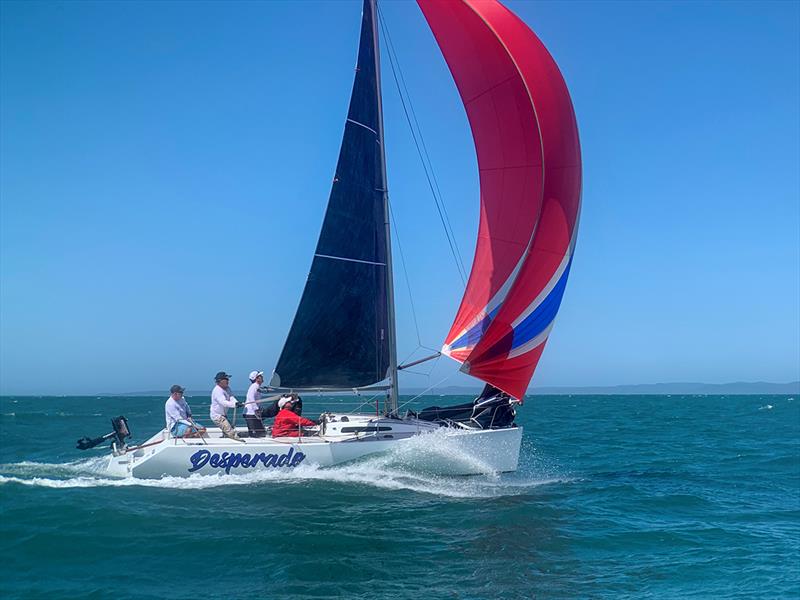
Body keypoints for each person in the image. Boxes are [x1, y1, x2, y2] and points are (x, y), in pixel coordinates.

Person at [210, 371, 243, 440]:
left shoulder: (227, 388)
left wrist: (236, 402)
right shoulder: (217, 391)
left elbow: (231, 397)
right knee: (230, 431)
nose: (228, 381)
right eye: (226, 379)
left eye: (228, 379)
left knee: (229, 430)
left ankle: (226, 441)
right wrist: (234, 405)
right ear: (220, 381)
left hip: (224, 415)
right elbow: (223, 402)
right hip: (217, 416)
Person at [243, 370, 267, 437]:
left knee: (261, 433)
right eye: (260, 376)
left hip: (253, 413)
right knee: (255, 434)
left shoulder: (257, 386)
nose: (262, 377)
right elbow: (250, 397)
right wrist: (256, 409)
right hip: (250, 413)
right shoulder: (254, 386)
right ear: (256, 378)